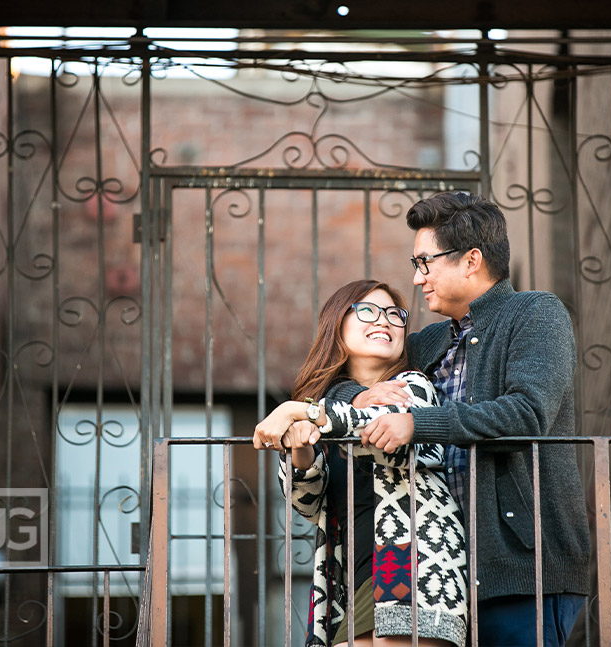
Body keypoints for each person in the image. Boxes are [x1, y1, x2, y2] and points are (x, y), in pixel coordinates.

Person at [327, 192, 590, 647]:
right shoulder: (429, 343)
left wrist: (418, 423)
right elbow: (356, 370)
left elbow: (526, 415)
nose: (417, 277)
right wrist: (356, 394)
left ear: (471, 260)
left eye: (425, 262)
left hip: (523, 571)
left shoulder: (535, 314)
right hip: (440, 578)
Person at [253, 279, 468, 647]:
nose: (383, 321)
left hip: (408, 556)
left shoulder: (412, 384)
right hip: (348, 575)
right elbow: (307, 503)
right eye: (367, 311)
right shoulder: (326, 407)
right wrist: (302, 448)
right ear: (337, 325)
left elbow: (385, 432)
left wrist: (298, 411)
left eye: (394, 315)